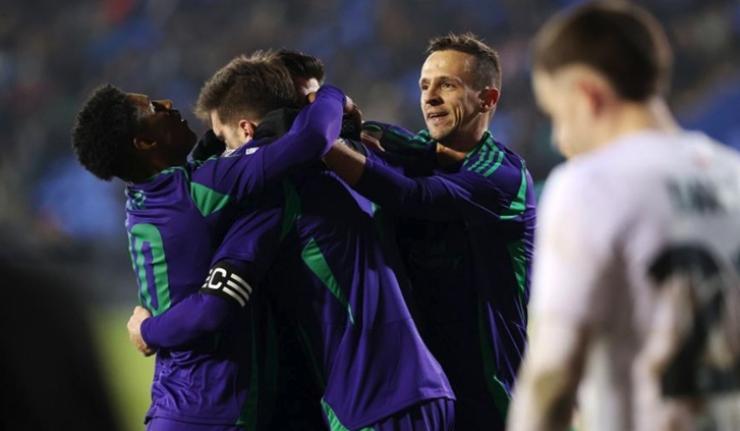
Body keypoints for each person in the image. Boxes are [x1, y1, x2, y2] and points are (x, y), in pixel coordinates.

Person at [128, 50, 456, 431]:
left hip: (373, 404)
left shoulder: (280, 196)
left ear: (248, 132)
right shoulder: (358, 162)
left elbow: (215, 303)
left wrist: (149, 330)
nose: (223, 155)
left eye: (223, 139)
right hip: (425, 387)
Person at [72, 56, 346, 430]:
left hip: (176, 404)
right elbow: (312, 139)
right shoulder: (200, 191)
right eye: (154, 108)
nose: (168, 104)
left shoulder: (144, 200)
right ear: (146, 142)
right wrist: (328, 94)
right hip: (210, 409)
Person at [507, 2, 740, 430]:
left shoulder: (590, 184)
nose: (559, 138)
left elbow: (551, 379)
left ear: (588, 95)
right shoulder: (733, 174)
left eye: (557, 115)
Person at [323, 33, 536, 429]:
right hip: (420, 397)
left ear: (487, 99)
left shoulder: (501, 176)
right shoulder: (414, 151)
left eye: (447, 85)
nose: (430, 98)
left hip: (489, 398)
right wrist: (338, 112)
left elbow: (411, 196)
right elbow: (374, 136)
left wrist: (319, 143)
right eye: (424, 86)